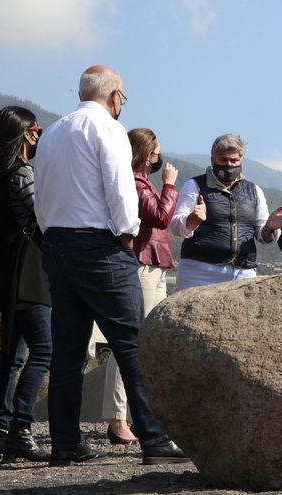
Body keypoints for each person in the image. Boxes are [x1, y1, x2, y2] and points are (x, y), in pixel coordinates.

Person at [33, 65, 185, 466]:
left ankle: (64, 443)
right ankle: (154, 439)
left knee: (67, 351)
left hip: (56, 243)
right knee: (133, 343)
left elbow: (41, 193)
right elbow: (120, 190)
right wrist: (126, 233)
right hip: (99, 246)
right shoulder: (109, 129)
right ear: (115, 96)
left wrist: (51, 234)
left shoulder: (52, 133)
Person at [0, 106, 51, 463]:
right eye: (36, 130)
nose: (39, 136)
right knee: (44, 350)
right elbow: (44, 219)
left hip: (7, 275)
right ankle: (22, 429)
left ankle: (0, 435)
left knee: (11, 356)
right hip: (32, 273)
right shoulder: (23, 174)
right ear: (25, 134)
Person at [102, 128, 179, 445]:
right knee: (132, 340)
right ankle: (118, 418)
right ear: (146, 152)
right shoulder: (136, 182)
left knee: (142, 342)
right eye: (156, 150)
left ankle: (134, 417)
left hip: (154, 265)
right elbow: (160, 217)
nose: (160, 156)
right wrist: (170, 187)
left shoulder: (139, 182)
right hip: (143, 266)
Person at [170, 133, 282, 289]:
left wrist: (270, 228)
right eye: (223, 160)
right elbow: (175, 226)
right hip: (199, 272)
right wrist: (192, 220)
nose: (228, 164)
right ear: (212, 160)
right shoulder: (194, 185)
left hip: (243, 273)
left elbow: (263, 237)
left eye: (234, 160)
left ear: (241, 160)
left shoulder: (254, 190)